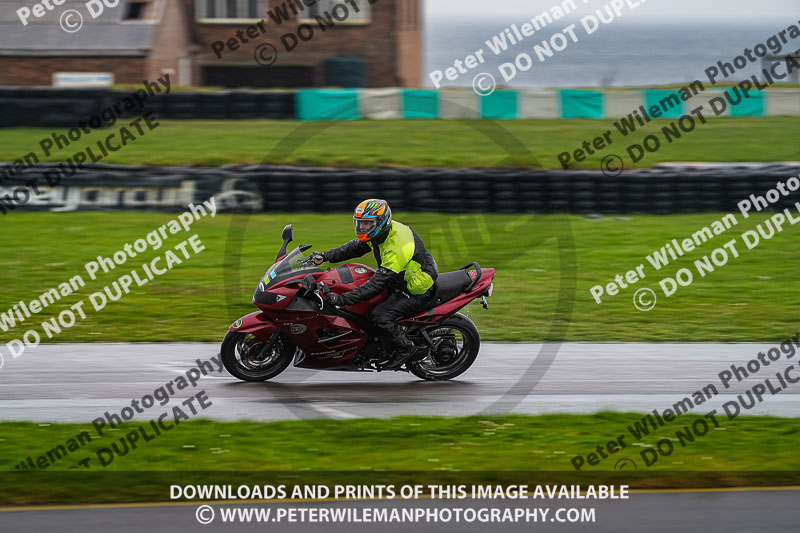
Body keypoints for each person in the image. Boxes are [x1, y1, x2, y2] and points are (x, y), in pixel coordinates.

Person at [310, 199, 438, 369]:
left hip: (414, 285)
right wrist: (325, 256)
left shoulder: (395, 247)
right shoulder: (381, 232)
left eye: (367, 223)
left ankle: (406, 347)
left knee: (379, 316)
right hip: (400, 273)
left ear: (381, 222)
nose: (362, 228)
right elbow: (355, 248)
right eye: (360, 223)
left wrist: (342, 300)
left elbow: (377, 284)